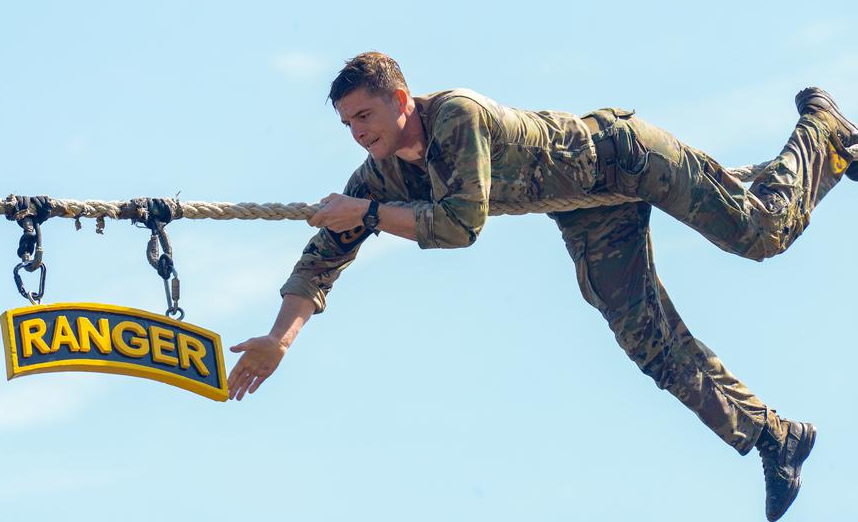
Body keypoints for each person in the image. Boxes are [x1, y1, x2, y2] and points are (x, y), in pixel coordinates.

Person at [227, 52, 857, 521]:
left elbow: (459, 225)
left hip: (628, 157)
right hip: (586, 205)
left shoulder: (456, 118)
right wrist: (281, 340)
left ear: (400, 99)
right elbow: (322, 257)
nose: (359, 131)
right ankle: (774, 435)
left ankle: (822, 132)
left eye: (365, 114)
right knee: (645, 341)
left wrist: (364, 215)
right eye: (347, 123)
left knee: (760, 232)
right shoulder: (381, 173)